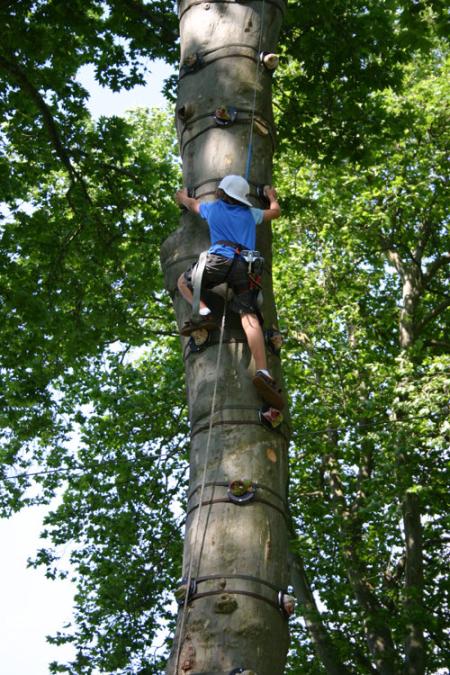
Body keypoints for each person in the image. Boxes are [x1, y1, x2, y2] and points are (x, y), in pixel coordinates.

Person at [175, 174, 284, 410]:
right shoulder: (250, 214)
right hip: (247, 266)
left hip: (219, 260)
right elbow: (274, 213)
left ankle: (203, 313)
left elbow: (192, 204)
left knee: (183, 282)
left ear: (222, 193)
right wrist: (271, 197)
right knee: (249, 316)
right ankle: (263, 371)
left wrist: (182, 197)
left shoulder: (213, 209)